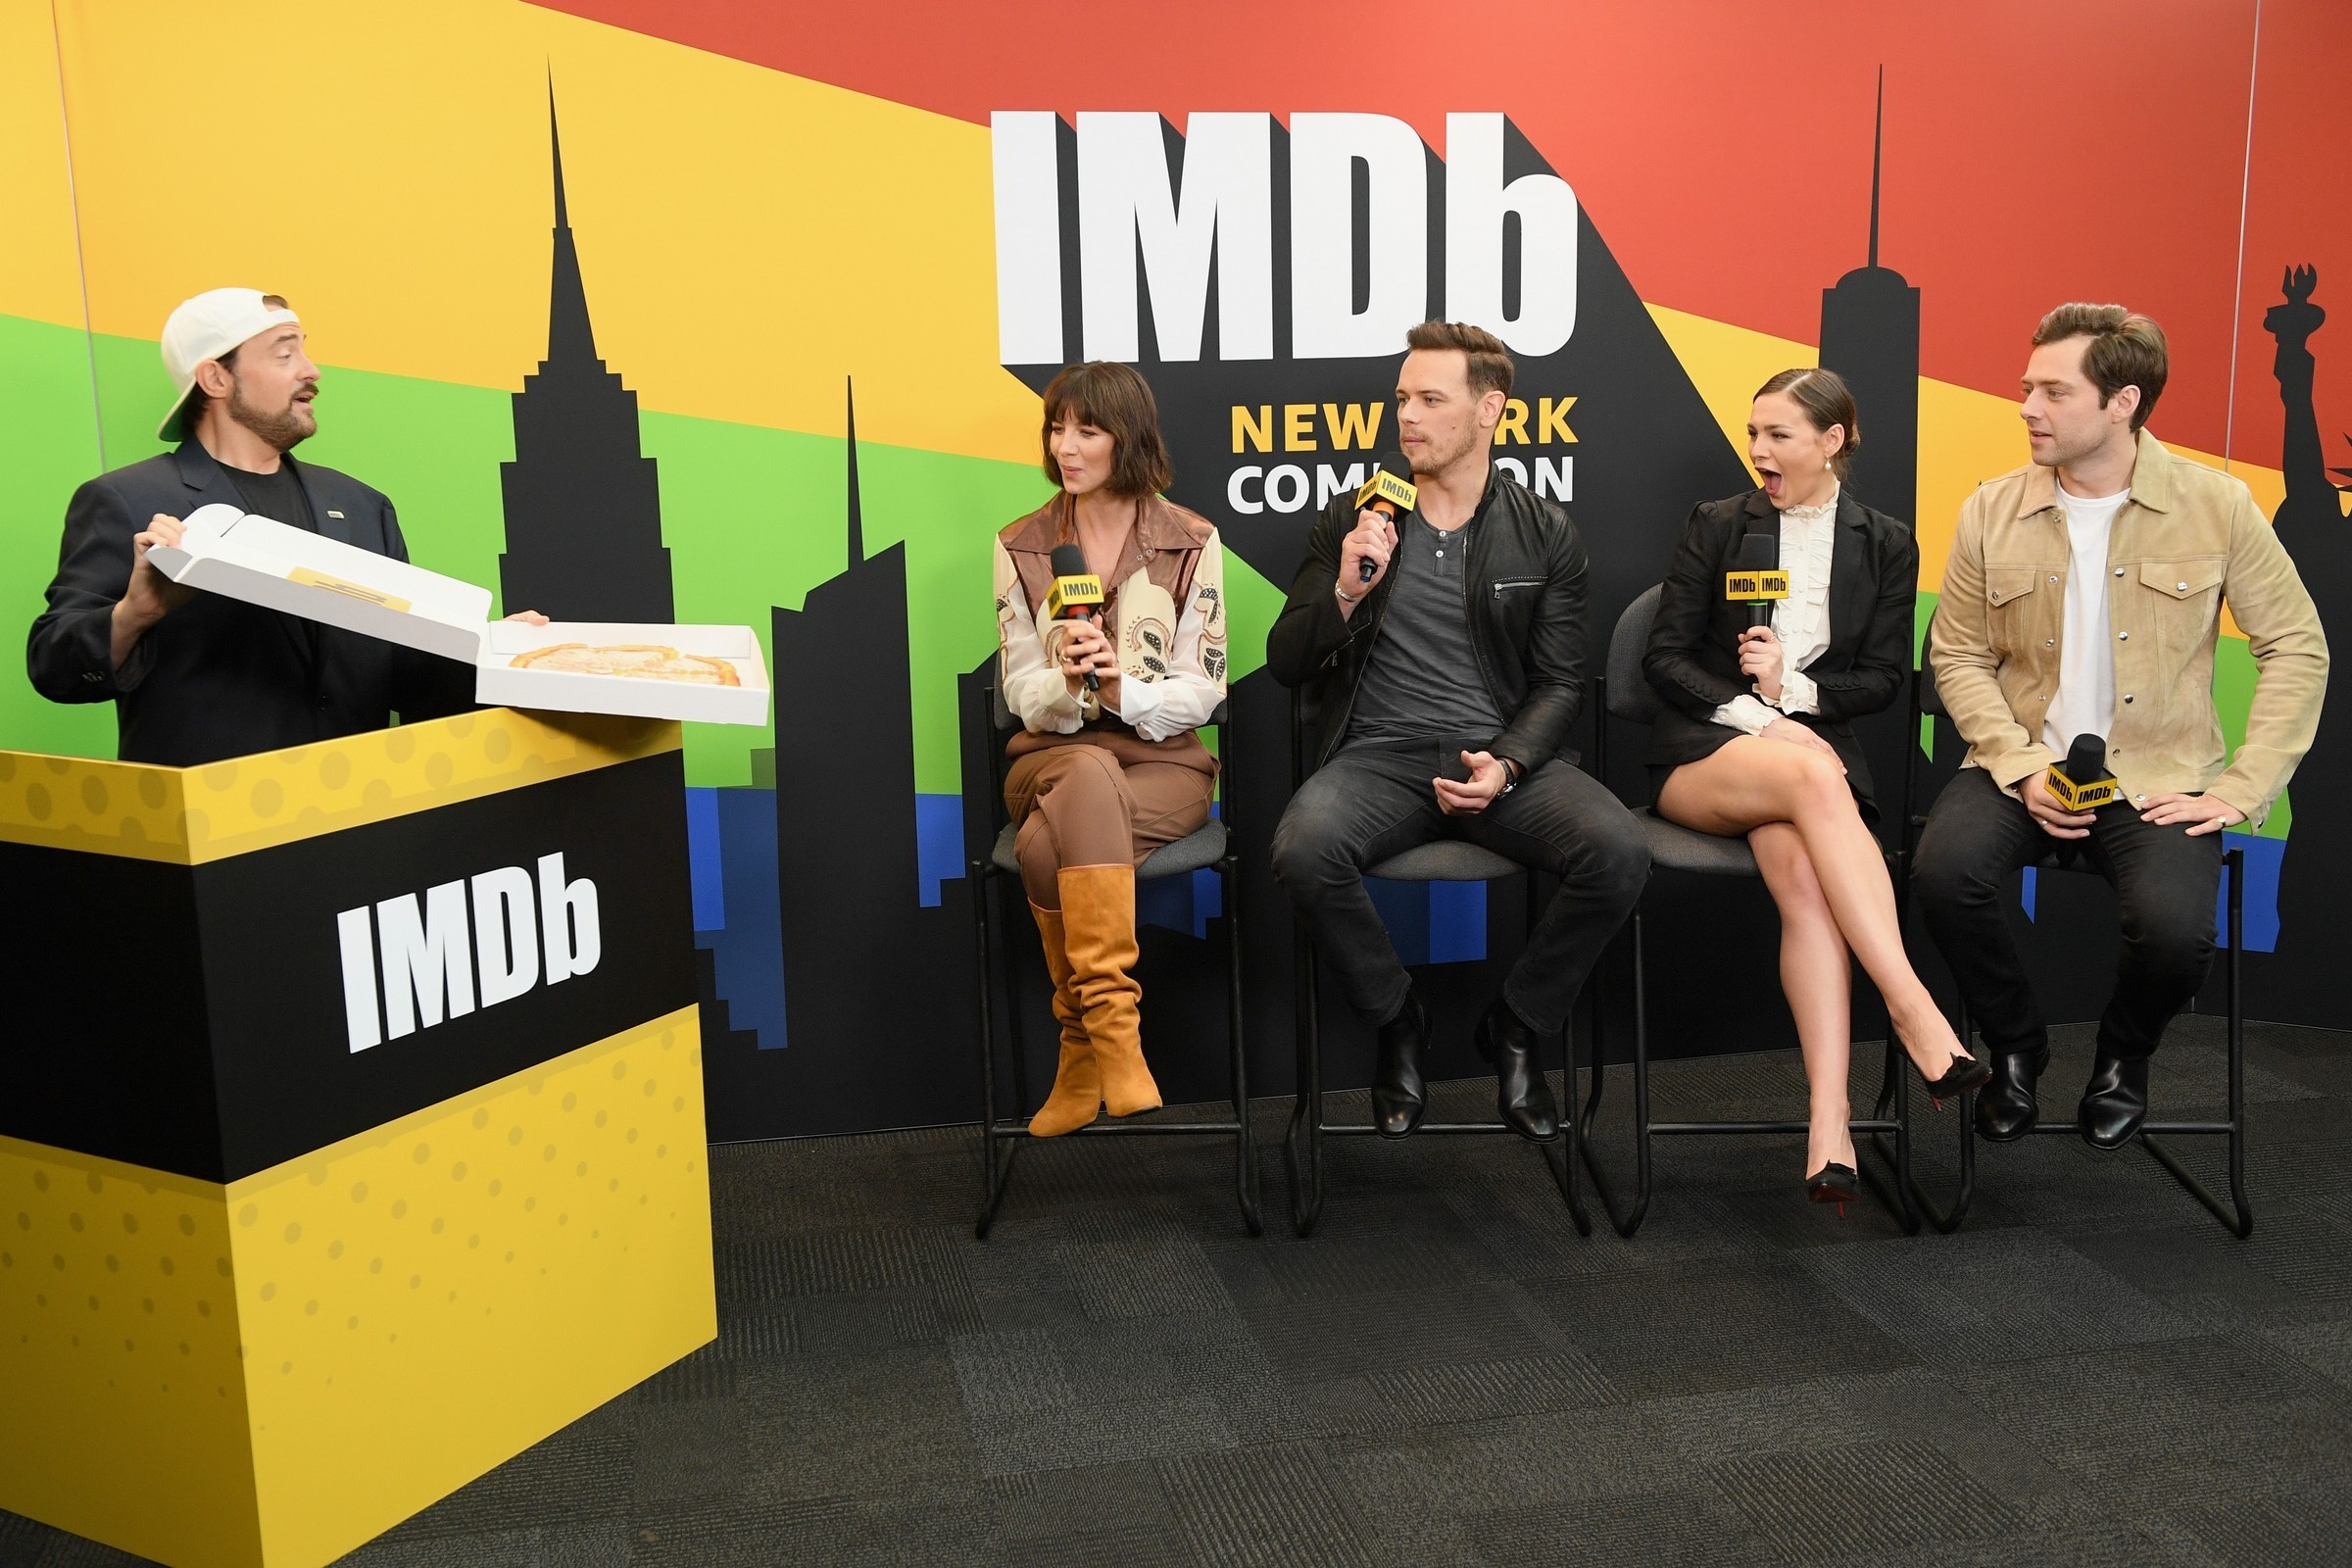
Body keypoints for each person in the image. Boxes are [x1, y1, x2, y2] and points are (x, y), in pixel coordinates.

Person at [1915, 304, 2328, 1150]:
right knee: (1942, 875)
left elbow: (2296, 646)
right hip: (2020, 762)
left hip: (2158, 775)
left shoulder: (2218, 505)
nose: (2026, 407)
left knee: (2176, 935)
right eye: (2027, 387)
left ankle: (2122, 1058)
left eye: (2053, 391)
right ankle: (2016, 1049)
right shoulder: (1991, 509)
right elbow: (1956, 654)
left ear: (2122, 402)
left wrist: (2245, 787)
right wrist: (2020, 766)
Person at [1268, 320, 1648, 1142]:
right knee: (1303, 850)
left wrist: (1507, 765)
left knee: (1620, 851)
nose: (1407, 415)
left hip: (1500, 754)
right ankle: (1398, 1019)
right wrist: (1345, 591)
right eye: (1403, 397)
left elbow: (1558, 684)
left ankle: (1516, 1027)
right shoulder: (1352, 519)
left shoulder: (1544, 532)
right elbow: (1287, 662)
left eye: (1431, 400)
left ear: (1489, 410)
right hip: (1378, 758)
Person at [1643, 368, 1988, 1203]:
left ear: (1831, 441)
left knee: (1803, 882)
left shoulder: (1886, 541)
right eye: (1753, 433)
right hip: (1707, 751)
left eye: (1778, 435)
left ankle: (1828, 1126)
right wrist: (1760, 714)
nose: (1758, 450)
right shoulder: (1718, 524)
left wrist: (1794, 692)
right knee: (1810, 772)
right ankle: (1912, 1009)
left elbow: (1882, 680)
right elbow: (1664, 658)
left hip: (1813, 755)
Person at [26, 287, 543, 766]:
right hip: (213, 818)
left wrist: (496, 657)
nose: (311, 371)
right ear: (216, 379)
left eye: (304, 351)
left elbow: (407, 675)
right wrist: (135, 613)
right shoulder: (126, 500)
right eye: (285, 354)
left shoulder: (361, 506)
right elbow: (55, 667)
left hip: (361, 805)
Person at [993, 362, 1229, 1136]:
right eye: (1056, 428)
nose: (1065, 446)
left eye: (1086, 430)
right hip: (1051, 756)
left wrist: (1123, 689)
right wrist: (1066, 684)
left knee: (1042, 845)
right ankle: (1118, 1032)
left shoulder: (1191, 541)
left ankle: (1080, 1048)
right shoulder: (1022, 545)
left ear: (1128, 438)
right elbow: (1019, 688)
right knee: (1088, 768)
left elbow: (1204, 688)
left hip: (1166, 763)